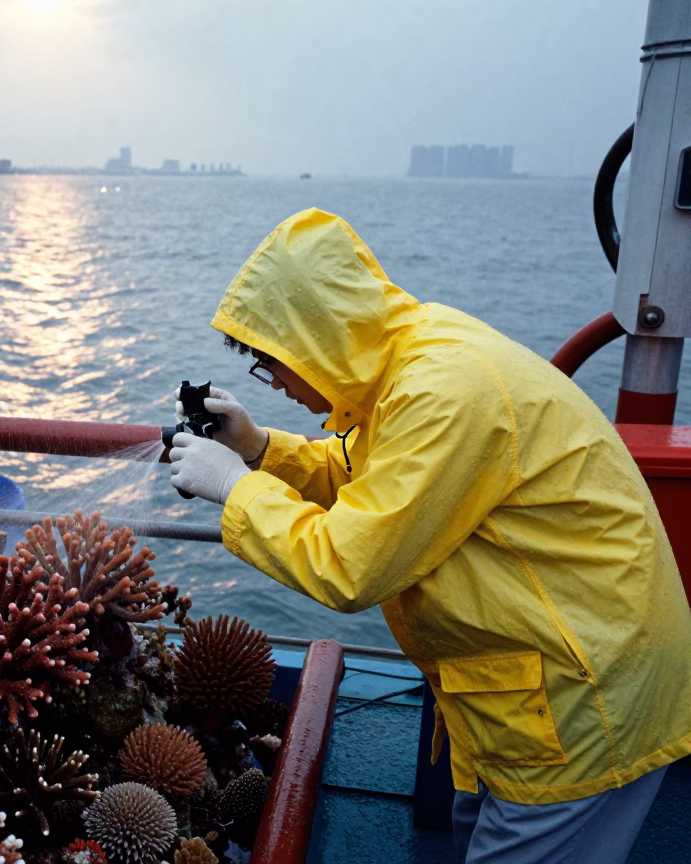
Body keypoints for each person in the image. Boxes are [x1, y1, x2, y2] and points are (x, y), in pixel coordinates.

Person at [167, 208, 691, 864]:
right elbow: (375, 483)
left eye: (273, 365)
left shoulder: (443, 393)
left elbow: (348, 564)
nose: (274, 383)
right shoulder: (412, 361)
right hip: (530, 694)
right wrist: (261, 448)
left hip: (585, 701)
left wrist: (235, 488)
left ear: (316, 342)